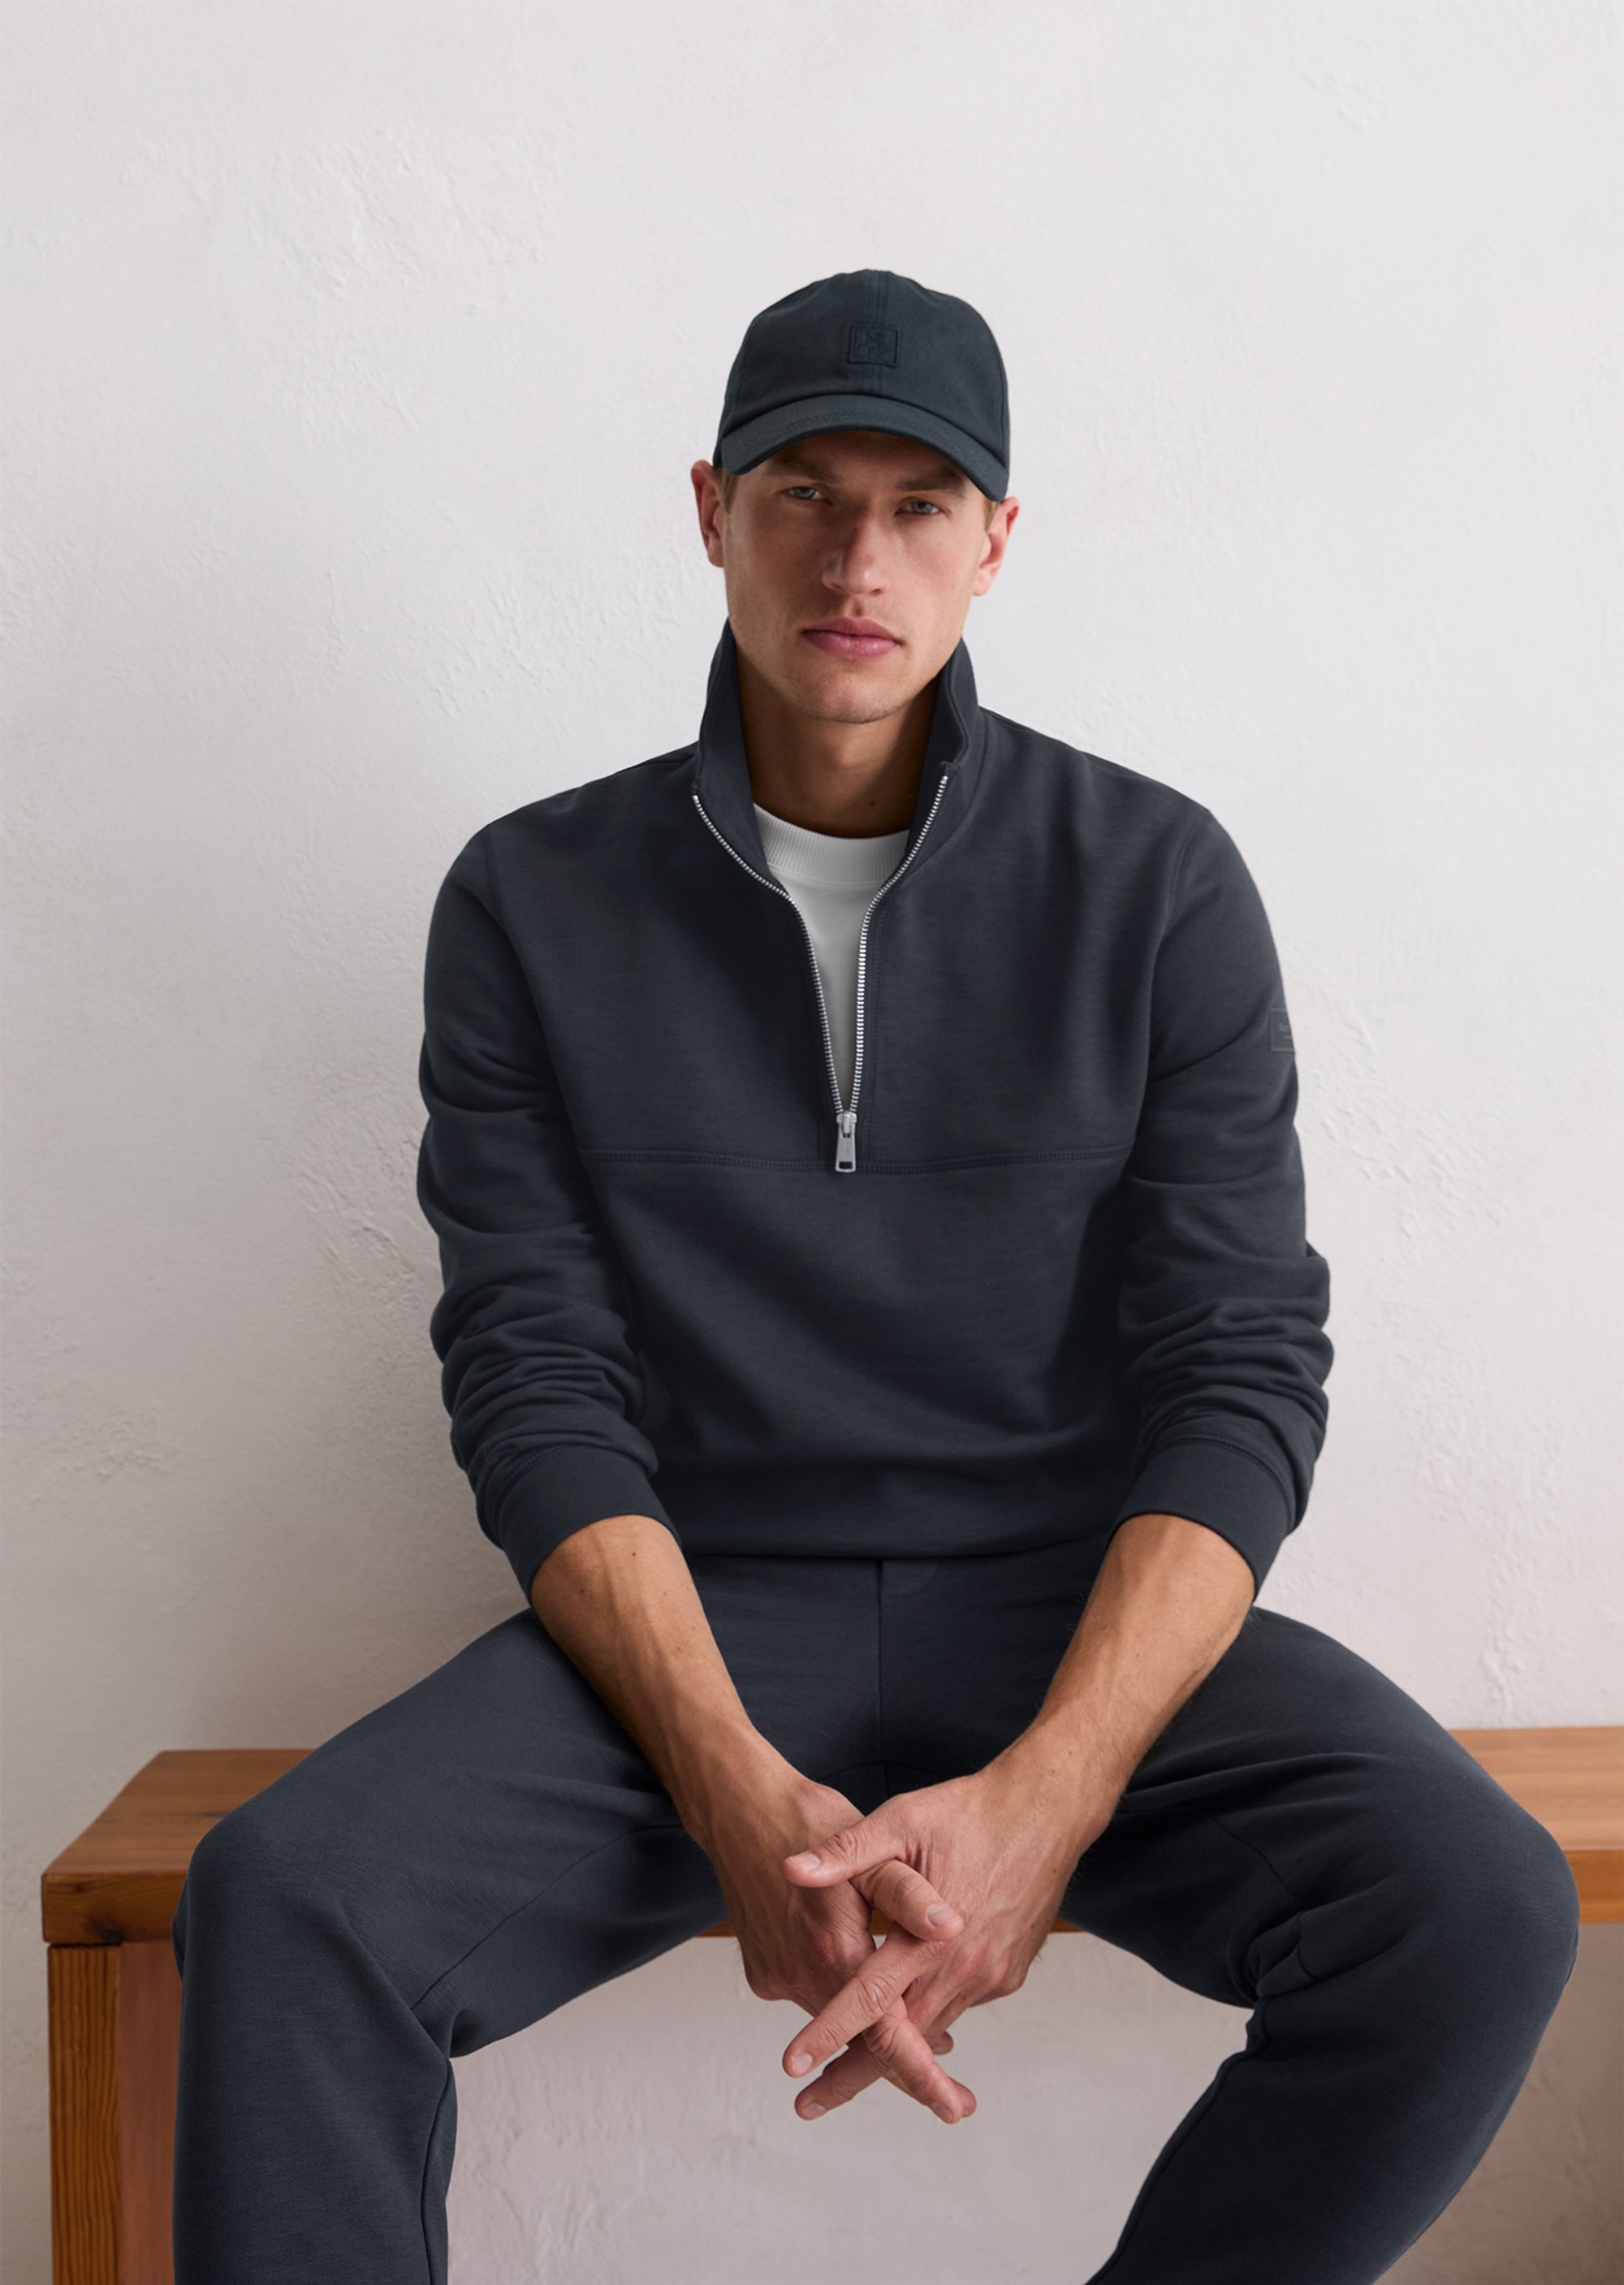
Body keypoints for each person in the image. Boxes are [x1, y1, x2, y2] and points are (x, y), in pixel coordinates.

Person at [169, 268, 1579, 2284]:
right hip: (695, 1625)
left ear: (996, 540)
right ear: (709, 511)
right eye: (804, 496)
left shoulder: (1154, 881)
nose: (858, 560)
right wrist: (728, 1787)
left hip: (1065, 1615)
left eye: (920, 505)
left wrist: (1051, 1797)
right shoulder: (531, 899)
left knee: (1475, 1905)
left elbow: (1241, 1369)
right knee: (286, 1901)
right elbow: (535, 1378)